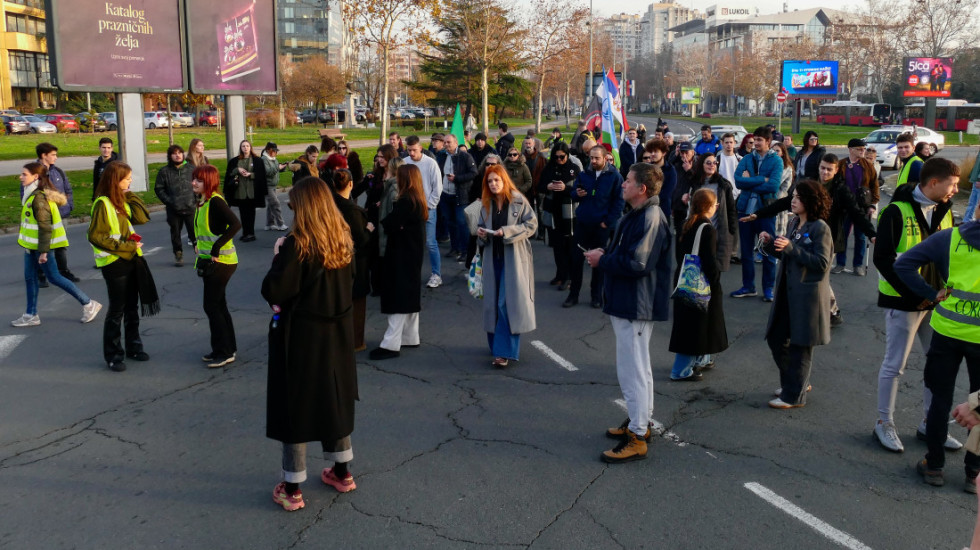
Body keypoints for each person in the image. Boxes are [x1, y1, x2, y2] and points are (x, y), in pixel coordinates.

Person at [262, 176, 358, 511]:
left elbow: (275, 291)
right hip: (338, 332)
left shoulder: (297, 244)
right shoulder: (343, 238)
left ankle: (292, 488)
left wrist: (278, 257)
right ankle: (342, 472)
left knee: (296, 408)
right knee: (336, 398)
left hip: (302, 335)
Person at [893, 162, 980, 492]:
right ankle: (974, 472)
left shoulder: (951, 238)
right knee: (979, 402)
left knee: (939, 396)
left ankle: (934, 464)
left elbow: (903, 264)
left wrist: (932, 294)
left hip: (946, 332)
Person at [585, 162, 672, 463]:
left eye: (628, 181)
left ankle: (637, 434)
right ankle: (640, 423)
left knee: (633, 370)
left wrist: (602, 260)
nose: (623, 184)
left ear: (642, 189)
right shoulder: (637, 213)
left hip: (636, 303)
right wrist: (605, 256)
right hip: (628, 301)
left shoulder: (650, 216)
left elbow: (638, 264)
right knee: (637, 368)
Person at [872, 157, 960, 453]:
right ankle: (884, 423)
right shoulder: (895, 212)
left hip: (937, 302)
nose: (956, 191)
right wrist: (915, 294)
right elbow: (882, 260)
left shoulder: (945, 210)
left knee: (937, 366)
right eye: (953, 184)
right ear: (933, 183)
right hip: (903, 301)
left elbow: (949, 255)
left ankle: (930, 424)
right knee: (894, 365)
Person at [761, 179, 833, 409]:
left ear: (810, 201)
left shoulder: (819, 227)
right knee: (776, 338)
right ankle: (796, 382)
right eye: (793, 196)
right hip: (787, 292)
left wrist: (791, 248)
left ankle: (794, 395)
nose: (793, 200)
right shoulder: (794, 223)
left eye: (799, 197)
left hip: (807, 296)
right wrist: (771, 244)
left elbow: (822, 263)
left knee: (801, 346)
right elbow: (788, 255)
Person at [12, 162, 102, 328]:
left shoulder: (38, 199)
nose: (20, 177)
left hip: (42, 248)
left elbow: (45, 228)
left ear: (35, 177)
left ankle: (88, 304)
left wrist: (44, 252)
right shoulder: (31, 195)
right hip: (31, 248)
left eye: (24, 174)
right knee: (30, 278)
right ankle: (31, 314)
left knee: (54, 277)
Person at [88, 162, 156, 373]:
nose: (130, 181)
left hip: (131, 259)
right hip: (114, 263)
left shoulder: (121, 201)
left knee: (131, 307)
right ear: (114, 181)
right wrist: (127, 246)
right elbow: (96, 236)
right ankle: (113, 354)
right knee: (117, 310)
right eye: (126, 179)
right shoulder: (102, 204)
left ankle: (134, 347)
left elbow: (142, 217)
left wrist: (129, 194)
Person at [476, 165, 537, 367]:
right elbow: (479, 233)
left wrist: (507, 231)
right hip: (492, 259)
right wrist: (482, 235)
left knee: (506, 304)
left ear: (504, 180)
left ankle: (504, 352)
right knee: (492, 304)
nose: (493, 184)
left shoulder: (518, 200)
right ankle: (497, 347)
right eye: (490, 181)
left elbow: (531, 225)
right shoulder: (486, 204)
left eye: (497, 180)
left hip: (514, 259)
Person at [669, 188, 728, 381]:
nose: (717, 206)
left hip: (684, 277)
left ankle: (700, 359)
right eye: (715, 203)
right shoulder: (708, 229)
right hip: (699, 282)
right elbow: (709, 261)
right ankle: (681, 370)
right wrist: (716, 282)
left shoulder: (687, 223)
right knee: (695, 327)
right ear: (709, 206)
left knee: (691, 324)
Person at [370, 165, 427, 360]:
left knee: (398, 298)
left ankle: (390, 344)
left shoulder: (405, 201)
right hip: (412, 255)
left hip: (401, 255)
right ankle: (411, 336)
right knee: (409, 295)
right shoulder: (417, 199)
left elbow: (388, 223)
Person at [192, 165, 241, 368]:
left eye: (199, 180)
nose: (194, 183)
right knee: (218, 305)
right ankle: (225, 347)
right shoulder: (203, 202)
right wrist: (198, 244)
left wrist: (216, 247)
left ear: (209, 182)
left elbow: (236, 224)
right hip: (212, 262)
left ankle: (225, 351)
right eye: (194, 179)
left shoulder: (215, 202)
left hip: (222, 262)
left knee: (212, 306)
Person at [565, 145, 625, 309]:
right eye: (591, 158)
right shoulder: (585, 173)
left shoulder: (614, 176)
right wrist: (578, 194)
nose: (593, 161)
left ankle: (596, 295)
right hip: (583, 223)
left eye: (597, 158)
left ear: (605, 158)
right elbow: (573, 192)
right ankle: (573, 295)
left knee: (598, 262)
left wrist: (607, 221)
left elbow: (619, 201)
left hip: (601, 225)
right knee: (576, 259)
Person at [732, 127, 783, 302]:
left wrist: (749, 181)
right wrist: (762, 179)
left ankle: (768, 289)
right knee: (746, 252)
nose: (756, 143)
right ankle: (748, 286)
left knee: (768, 250)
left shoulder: (776, 161)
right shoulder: (747, 158)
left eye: (760, 140)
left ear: (768, 142)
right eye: (755, 140)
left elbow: (773, 186)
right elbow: (738, 181)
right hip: (745, 210)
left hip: (765, 213)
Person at [329, 170, 372, 352]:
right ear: (351, 184)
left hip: (335, 260)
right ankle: (355, 341)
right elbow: (360, 240)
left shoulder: (330, 206)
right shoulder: (352, 210)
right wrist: (369, 229)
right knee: (357, 304)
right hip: (355, 262)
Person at [677, 153, 737, 274]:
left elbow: (731, 210)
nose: (712, 165)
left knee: (713, 272)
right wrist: (685, 197)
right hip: (695, 231)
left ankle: (712, 293)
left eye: (715, 163)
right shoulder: (694, 182)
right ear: (701, 164)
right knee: (694, 270)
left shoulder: (723, 185)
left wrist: (731, 231)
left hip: (715, 233)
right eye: (708, 163)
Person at [832, 138, 879, 275]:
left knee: (860, 236)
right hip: (844, 206)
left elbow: (874, 185)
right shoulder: (841, 164)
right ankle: (840, 263)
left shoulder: (868, 165)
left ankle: (858, 265)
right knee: (843, 235)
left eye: (864, 149)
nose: (863, 151)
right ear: (851, 149)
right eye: (860, 149)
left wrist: (872, 204)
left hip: (862, 206)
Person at [403, 135, 443, 288]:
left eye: (414, 150)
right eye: (409, 150)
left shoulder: (430, 163)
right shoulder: (405, 163)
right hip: (410, 209)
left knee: (430, 242)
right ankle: (412, 273)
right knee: (411, 243)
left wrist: (429, 205)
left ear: (420, 147)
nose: (411, 153)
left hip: (427, 208)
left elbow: (437, 188)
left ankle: (436, 274)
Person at [35, 143, 79, 283]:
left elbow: (68, 190)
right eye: (53, 155)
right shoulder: (33, 172)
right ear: (43, 155)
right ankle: (41, 274)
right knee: (44, 246)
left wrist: (69, 206)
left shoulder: (58, 171)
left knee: (61, 245)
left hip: (61, 215)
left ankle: (63, 271)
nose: (56, 157)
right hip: (44, 216)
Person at [539, 142, 580, 290]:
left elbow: (579, 190)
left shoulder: (574, 169)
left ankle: (569, 277)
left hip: (568, 214)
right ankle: (560, 274)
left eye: (562, 157)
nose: (559, 160)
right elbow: (540, 186)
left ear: (567, 156)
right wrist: (548, 186)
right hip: (553, 212)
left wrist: (565, 188)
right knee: (557, 247)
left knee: (568, 246)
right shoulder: (549, 168)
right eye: (556, 157)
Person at [154, 144, 197, 266]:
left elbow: (199, 184)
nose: (177, 155)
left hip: (190, 207)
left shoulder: (191, 169)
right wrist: (169, 201)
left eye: (180, 152)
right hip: (173, 209)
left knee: (194, 233)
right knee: (175, 233)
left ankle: (200, 254)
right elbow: (159, 189)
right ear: (170, 156)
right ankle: (178, 254)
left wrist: (196, 200)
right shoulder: (164, 172)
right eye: (174, 153)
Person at [442, 134, 477, 263]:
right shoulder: (442, 156)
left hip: (461, 195)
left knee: (461, 223)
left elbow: (474, 173)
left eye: (449, 142)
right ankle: (454, 248)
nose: (446, 145)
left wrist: (457, 178)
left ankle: (465, 250)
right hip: (446, 195)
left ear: (456, 143)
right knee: (450, 222)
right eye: (444, 142)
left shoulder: (465, 156)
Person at [224, 139, 267, 242]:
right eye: (243, 146)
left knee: (251, 213)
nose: (245, 148)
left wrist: (250, 175)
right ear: (241, 148)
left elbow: (261, 175)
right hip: (240, 192)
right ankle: (245, 233)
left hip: (252, 192)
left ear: (250, 147)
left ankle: (251, 233)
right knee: (243, 213)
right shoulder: (235, 161)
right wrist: (237, 170)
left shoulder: (257, 160)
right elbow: (229, 173)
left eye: (247, 146)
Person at [644, 138, 676, 218]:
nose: (653, 154)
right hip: (646, 211)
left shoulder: (670, 170)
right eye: (651, 152)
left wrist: (650, 200)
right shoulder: (646, 169)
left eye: (656, 151)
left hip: (662, 212)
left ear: (664, 153)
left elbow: (667, 193)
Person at [261, 142, 288, 231]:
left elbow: (276, 170)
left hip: (273, 185)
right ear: (268, 150)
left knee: (271, 205)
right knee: (275, 203)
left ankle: (269, 224)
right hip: (266, 185)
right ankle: (280, 224)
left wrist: (283, 167)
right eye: (273, 151)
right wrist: (278, 168)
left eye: (276, 151)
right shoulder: (264, 160)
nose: (275, 153)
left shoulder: (274, 159)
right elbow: (267, 172)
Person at [770, 141, 795, 237]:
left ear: (783, 153)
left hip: (780, 199)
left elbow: (775, 182)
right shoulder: (771, 165)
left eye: (777, 151)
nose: (775, 153)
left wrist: (765, 179)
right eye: (773, 150)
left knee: (779, 230)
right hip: (770, 199)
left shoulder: (787, 167)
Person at [967, 149, 980, 222]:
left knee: (978, 203)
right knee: (972, 202)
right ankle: (967, 220)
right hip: (975, 179)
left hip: (978, 180)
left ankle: (975, 221)